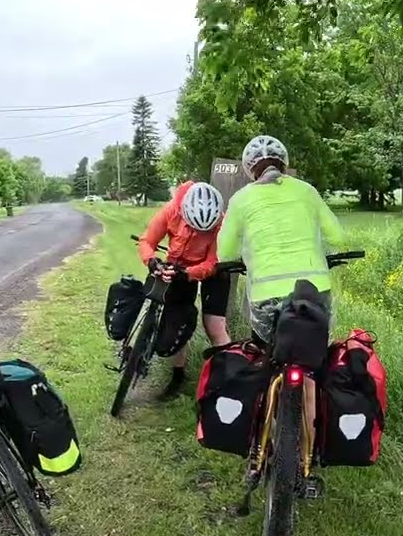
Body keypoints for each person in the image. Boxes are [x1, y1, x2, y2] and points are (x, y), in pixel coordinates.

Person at [216, 135, 346, 344]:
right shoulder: (307, 191)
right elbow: (338, 238)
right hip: (315, 291)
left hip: (266, 297)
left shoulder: (240, 199)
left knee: (264, 355)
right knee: (320, 353)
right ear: (284, 162)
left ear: (250, 168)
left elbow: (226, 253)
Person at [137, 180, 232, 400]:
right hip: (178, 264)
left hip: (213, 269)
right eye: (194, 228)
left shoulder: (221, 224)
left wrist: (188, 274)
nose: (199, 233)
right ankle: (178, 375)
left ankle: (230, 377)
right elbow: (147, 241)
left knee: (214, 326)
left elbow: (211, 264)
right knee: (176, 319)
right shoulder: (171, 210)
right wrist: (152, 262)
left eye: (204, 231)